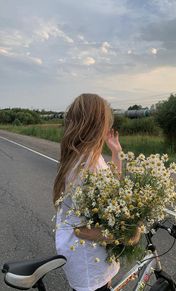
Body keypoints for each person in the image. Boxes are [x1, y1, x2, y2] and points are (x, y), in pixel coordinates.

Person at [53, 93, 141, 291]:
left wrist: (116, 154)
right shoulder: (85, 165)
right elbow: (82, 229)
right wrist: (126, 234)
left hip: (88, 253)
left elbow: (111, 191)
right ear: (96, 124)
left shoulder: (87, 155)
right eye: (105, 122)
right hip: (86, 257)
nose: (107, 127)